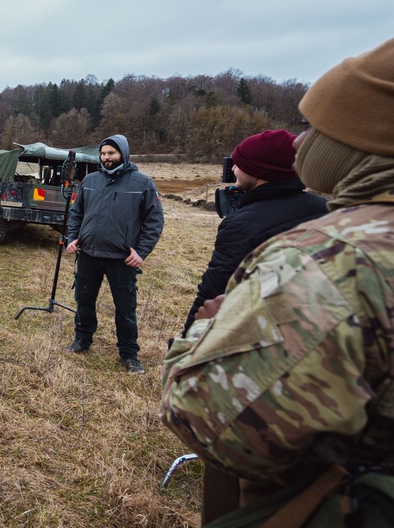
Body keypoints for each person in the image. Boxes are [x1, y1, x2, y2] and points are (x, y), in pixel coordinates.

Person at [161, 38, 394, 524]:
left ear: (362, 144)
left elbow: (214, 425)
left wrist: (209, 333)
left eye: (314, 127)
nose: (300, 142)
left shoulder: (333, 259)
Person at [180, 130, 329, 522]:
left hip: (256, 352)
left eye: (238, 161)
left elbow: (214, 291)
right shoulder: (325, 209)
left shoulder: (243, 224)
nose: (233, 167)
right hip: (317, 349)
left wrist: (186, 346)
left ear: (259, 172)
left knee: (235, 474)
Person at [63, 134, 164, 374]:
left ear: (124, 154)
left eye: (112, 153)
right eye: (104, 153)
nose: (107, 158)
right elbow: (77, 213)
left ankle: (129, 354)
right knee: (84, 299)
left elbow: (154, 221)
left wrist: (142, 252)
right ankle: (82, 339)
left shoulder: (142, 183)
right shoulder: (89, 181)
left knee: (125, 307)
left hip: (122, 259)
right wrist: (72, 238)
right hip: (88, 253)